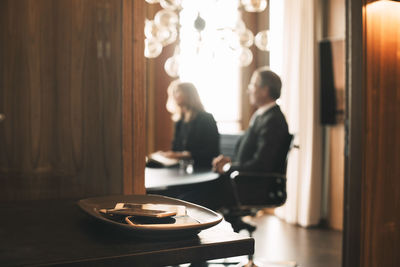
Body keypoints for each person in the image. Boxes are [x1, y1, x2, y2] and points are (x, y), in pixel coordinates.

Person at [213, 66, 289, 175]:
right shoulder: (262, 116)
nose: (248, 90)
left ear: (265, 91)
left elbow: (262, 164)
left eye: (253, 85)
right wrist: (230, 163)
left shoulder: (273, 120)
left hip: (253, 184)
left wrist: (228, 167)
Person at [159, 80, 220, 168]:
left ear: (188, 94)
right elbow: (175, 149)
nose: (174, 95)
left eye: (177, 91)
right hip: (183, 168)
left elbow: (211, 151)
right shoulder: (180, 121)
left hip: (204, 168)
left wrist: (182, 155)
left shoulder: (206, 118)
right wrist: (166, 155)